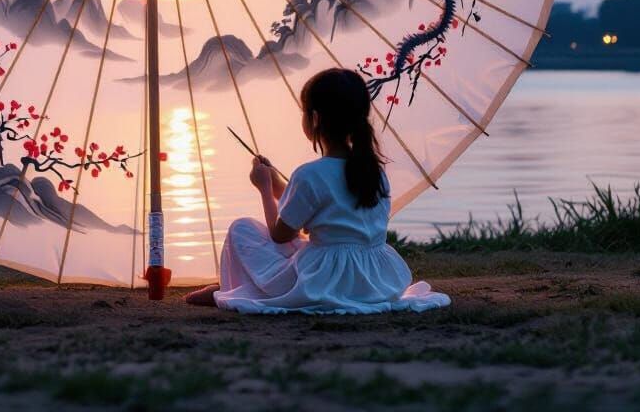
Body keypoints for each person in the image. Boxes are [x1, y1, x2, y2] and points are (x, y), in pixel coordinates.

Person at [185, 68, 450, 315]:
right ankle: (233, 289)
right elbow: (323, 209)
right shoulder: (373, 171)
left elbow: (280, 234)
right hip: (375, 280)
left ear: (314, 118)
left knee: (241, 229)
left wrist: (265, 189)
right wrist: (278, 183)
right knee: (299, 245)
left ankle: (233, 290)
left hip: (324, 278)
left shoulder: (310, 174)